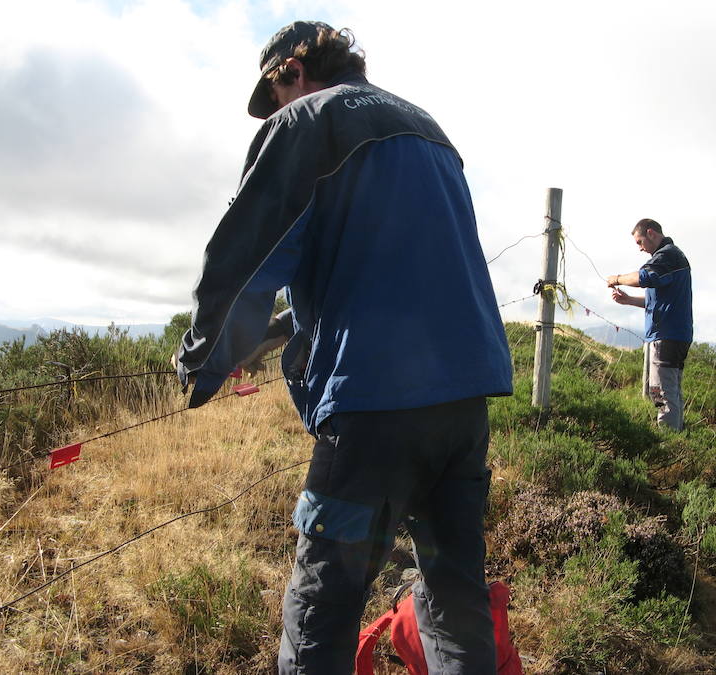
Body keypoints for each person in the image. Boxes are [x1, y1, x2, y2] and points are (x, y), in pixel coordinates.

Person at [174, 21, 512, 674]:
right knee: (455, 594)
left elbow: (248, 259)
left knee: (323, 605)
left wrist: (201, 363)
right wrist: (277, 334)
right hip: (464, 404)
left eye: (273, 97)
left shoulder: (308, 122)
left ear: (291, 73)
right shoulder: (429, 130)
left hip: (373, 409)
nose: (274, 111)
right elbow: (376, 263)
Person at [606, 218, 692, 431]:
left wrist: (616, 278)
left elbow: (643, 277)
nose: (640, 248)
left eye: (640, 242)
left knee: (662, 393)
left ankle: (670, 442)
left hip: (667, 335)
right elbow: (658, 301)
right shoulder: (670, 258)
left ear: (651, 233)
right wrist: (629, 300)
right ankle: (676, 437)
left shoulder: (667, 255)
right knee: (670, 391)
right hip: (674, 335)